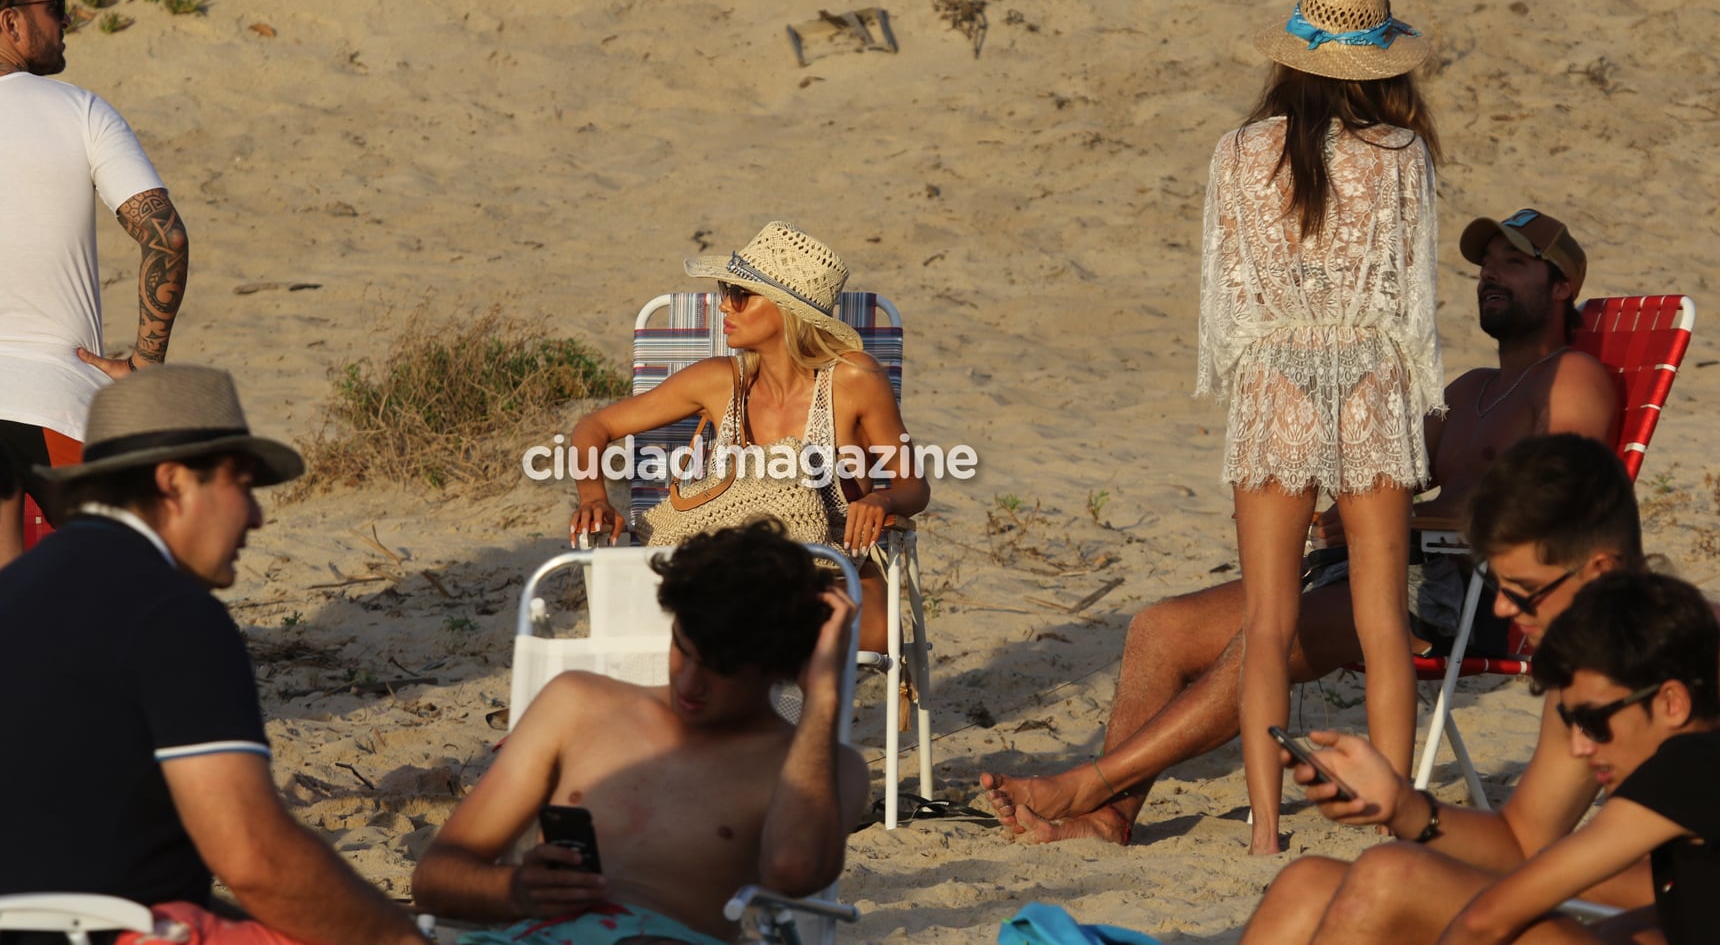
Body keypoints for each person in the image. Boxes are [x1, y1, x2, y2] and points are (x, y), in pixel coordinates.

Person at [982, 206, 1614, 847]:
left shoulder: (1574, 380)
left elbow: (1556, 504)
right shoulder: (1472, 387)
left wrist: (1405, 522)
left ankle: (1087, 785)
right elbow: (1387, 474)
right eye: (1485, 264)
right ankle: (1108, 818)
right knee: (1161, 629)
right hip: (1387, 568)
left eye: (1513, 262)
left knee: (1260, 645)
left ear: (1562, 286)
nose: (1489, 275)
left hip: (1468, 593)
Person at [0, 365, 424, 945]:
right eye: (241, 484)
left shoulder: (16, 588)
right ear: (174, 483)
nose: (256, 514)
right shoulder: (168, 610)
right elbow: (254, 859)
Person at [1199, 0, 1448, 852]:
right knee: (1383, 619)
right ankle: (1387, 822)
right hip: (1372, 380)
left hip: (1275, 382)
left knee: (1268, 621)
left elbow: (1226, 303)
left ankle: (1265, 831)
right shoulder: (1402, 154)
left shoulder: (1239, 150)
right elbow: (1414, 306)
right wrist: (1409, 385)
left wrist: (1265, 357)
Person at [1237, 433, 1669, 945]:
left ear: (1602, 570)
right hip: (1610, 914)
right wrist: (1403, 806)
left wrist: (1519, 894)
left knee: (1395, 875)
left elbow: (1679, 885)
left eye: (1524, 593)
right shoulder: (1588, 668)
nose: (1504, 610)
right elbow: (1523, 840)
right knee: (1305, 884)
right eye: (1499, 588)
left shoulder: (1687, 667)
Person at [411, 519, 869, 945]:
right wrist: (515, 890)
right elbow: (434, 881)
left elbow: (795, 870)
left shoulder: (824, 769)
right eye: (682, 650)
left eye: (720, 670)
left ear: (780, 667)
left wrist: (823, 694)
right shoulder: (577, 704)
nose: (689, 683)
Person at [565, 220, 928, 652]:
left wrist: (882, 500)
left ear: (786, 309)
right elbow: (594, 428)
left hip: (827, 564)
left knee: (810, 630)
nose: (724, 307)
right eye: (725, 292)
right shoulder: (719, 382)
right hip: (727, 564)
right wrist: (593, 497)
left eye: (738, 294)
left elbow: (914, 485)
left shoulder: (854, 379)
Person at [0, 0, 190, 565]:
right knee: (120, 598)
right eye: (52, 7)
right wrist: (145, 365)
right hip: (58, 404)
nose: (65, 21)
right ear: (10, 22)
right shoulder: (81, 112)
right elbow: (166, 238)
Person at [1434, 572, 1719, 945]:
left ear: (1672, 703)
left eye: (1593, 721)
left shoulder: (1687, 763)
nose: (1580, 747)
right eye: (1571, 722)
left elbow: (1483, 920)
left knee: (1399, 874)